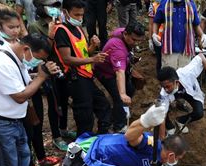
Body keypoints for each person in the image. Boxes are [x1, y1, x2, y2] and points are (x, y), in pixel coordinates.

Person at [0, 34, 60, 166]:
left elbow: (23, 82)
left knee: (22, 156)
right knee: (9, 165)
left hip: (14, 119)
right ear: (26, 49)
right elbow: (20, 96)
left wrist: (39, 75)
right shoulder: (1, 62)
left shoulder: (16, 58)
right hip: (1, 122)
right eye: (37, 58)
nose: (37, 62)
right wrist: (41, 77)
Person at [53, 0, 111, 137]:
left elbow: (83, 53)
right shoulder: (61, 31)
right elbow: (67, 59)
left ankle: (102, 137)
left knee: (103, 105)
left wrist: (92, 46)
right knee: (85, 116)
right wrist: (93, 59)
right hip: (74, 79)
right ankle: (82, 148)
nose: (79, 18)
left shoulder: (78, 28)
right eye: (76, 14)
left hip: (86, 76)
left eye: (81, 15)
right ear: (65, 12)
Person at [30, 0, 76, 152]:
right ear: (41, 7)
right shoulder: (35, 27)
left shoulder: (62, 23)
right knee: (54, 104)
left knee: (63, 101)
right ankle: (56, 136)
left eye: (57, 5)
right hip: (49, 72)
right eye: (51, 5)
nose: (54, 8)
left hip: (64, 69)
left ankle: (63, 129)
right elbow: (41, 53)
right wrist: (50, 36)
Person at [95, 22, 145, 132]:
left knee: (130, 89)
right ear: (126, 34)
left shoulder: (122, 32)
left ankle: (116, 114)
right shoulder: (118, 49)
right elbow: (119, 73)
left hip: (119, 67)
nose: (135, 43)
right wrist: (122, 93)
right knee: (119, 97)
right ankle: (119, 126)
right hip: (106, 73)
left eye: (138, 40)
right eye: (133, 40)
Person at [158, 53, 206, 135]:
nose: (165, 89)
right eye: (163, 86)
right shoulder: (164, 93)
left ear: (176, 82)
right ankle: (169, 126)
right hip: (174, 95)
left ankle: (180, 120)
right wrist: (162, 138)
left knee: (199, 113)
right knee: (160, 109)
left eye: (168, 86)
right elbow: (162, 116)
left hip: (190, 91)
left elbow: (201, 56)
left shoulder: (187, 73)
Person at [152, 0, 206, 69]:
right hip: (169, 49)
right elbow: (156, 21)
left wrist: (202, 35)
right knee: (170, 76)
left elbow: (196, 24)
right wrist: (154, 34)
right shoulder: (164, 4)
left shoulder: (191, 5)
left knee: (184, 75)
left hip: (186, 49)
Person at [148, 0, 163, 75]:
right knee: (160, 59)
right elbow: (151, 24)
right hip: (158, 37)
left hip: (170, 37)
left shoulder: (172, 3)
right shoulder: (153, 6)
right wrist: (150, 39)